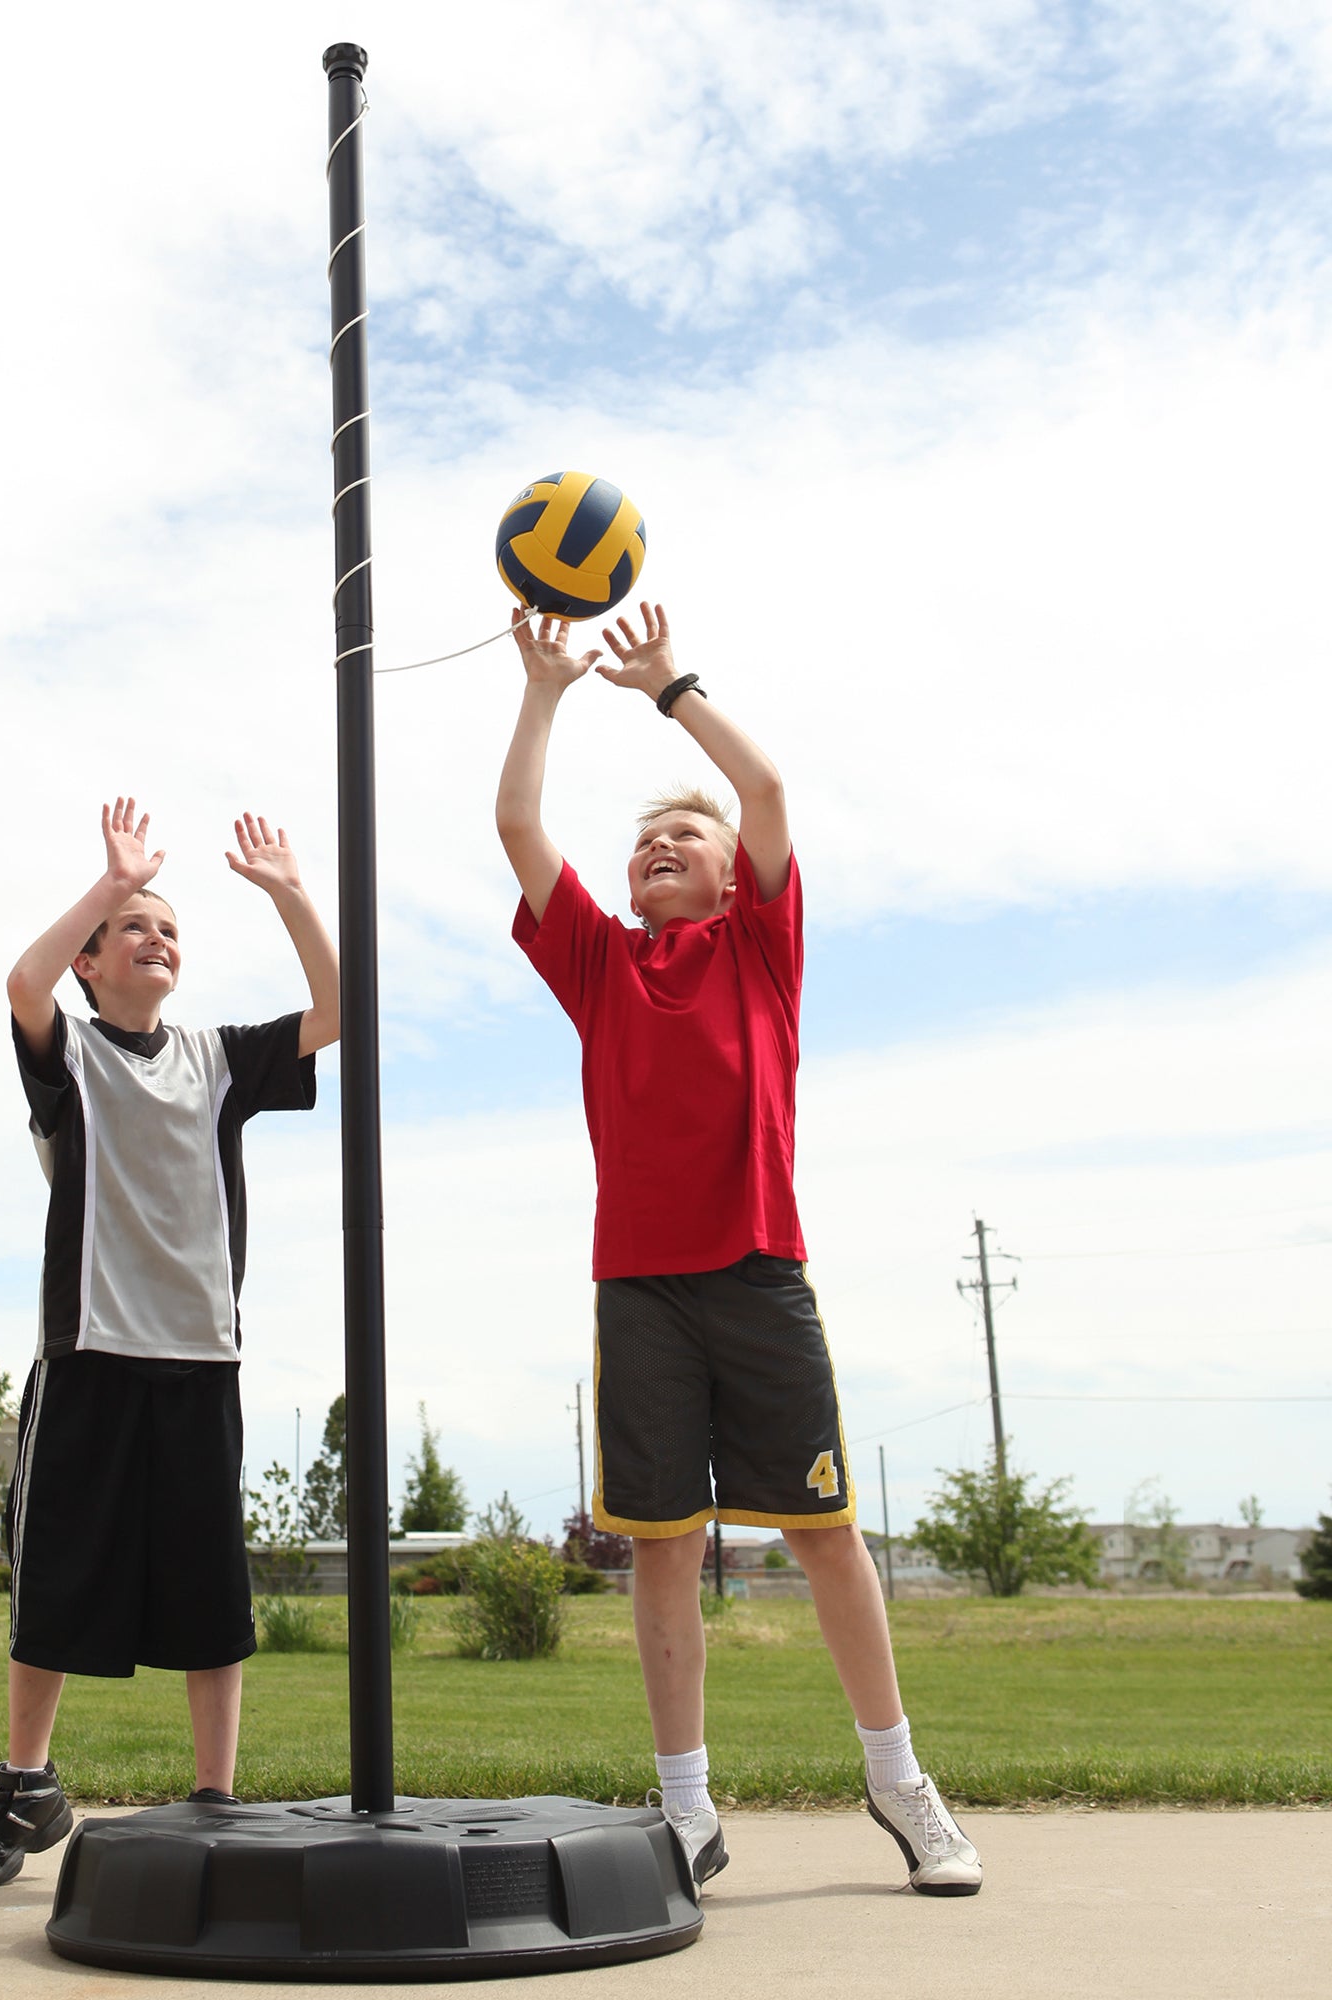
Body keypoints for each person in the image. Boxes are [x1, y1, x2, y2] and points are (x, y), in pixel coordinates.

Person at [494, 603, 980, 1898]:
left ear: (728, 874)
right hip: (640, 1288)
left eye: (683, 836)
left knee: (823, 1532)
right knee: (663, 1543)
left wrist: (669, 687)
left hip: (759, 1271)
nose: (659, 844)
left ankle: (899, 1782)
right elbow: (519, 832)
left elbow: (763, 785)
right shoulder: (601, 963)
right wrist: (544, 691)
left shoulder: (760, 948)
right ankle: (687, 1814)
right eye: (646, 838)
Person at [0, 796, 338, 1889]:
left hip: (199, 1357)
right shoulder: (67, 1049)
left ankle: (215, 1796)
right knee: (56, 1582)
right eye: (132, 927)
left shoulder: (217, 1057)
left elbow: (341, 1006)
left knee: (210, 1590)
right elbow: (20, 983)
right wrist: (110, 881)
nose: (155, 935)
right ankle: (26, 1787)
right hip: (90, 1355)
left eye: (167, 926)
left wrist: (290, 889)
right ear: (91, 959)